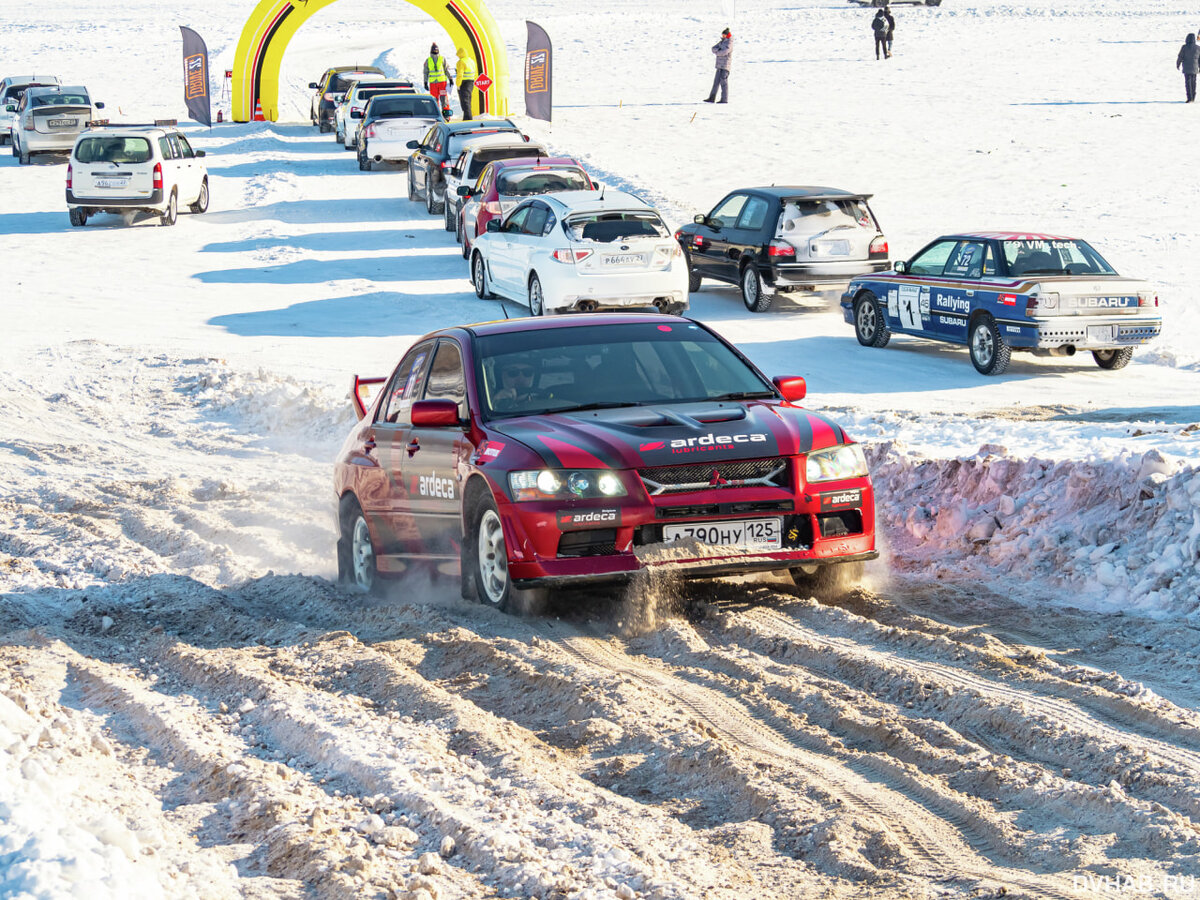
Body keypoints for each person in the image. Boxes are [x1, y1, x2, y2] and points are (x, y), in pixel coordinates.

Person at [424, 43, 454, 117]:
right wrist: (425, 82)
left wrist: (450, 78)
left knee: (444, 99)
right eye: (434, 49)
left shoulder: (442, 59)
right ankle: (436, 116)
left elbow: (446, 69)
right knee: (434, 100)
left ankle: (446, 115)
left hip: (442, 83)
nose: (435, 51)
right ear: (431, 50)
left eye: (436, 49)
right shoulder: (428, 60)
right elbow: (425, 72)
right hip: (433, 84)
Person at [704, 28, 732, 103]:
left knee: (723, 82)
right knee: (716, 82)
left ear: (727, 35)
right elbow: (713, 48)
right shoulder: (722, 42)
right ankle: (711, 98)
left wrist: (717, 52)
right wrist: (718, 51)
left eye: (724, 35)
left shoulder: (729, 43)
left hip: (725, 66)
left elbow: (724, 52)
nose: (722, 36)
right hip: (719, 65)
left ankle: (724, 99)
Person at [455, 47, 477, 120]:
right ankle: (467, 117)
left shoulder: (461, 62)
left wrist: (458, 84)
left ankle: (468, 118)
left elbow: (460, 74)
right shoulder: (471, 61)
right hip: (471, 82)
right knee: (468, 100)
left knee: (464, 101)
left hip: (463, 83)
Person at [1178, 32, 1200, 102]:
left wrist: (1178, 64)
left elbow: (1180, 56)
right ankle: (1193, 97)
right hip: (1195, 68)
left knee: (1188, 83)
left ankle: (1189, 98)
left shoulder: (1184, 47)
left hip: (1187, 68)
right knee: (1194, 82)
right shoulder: (1198, 48)